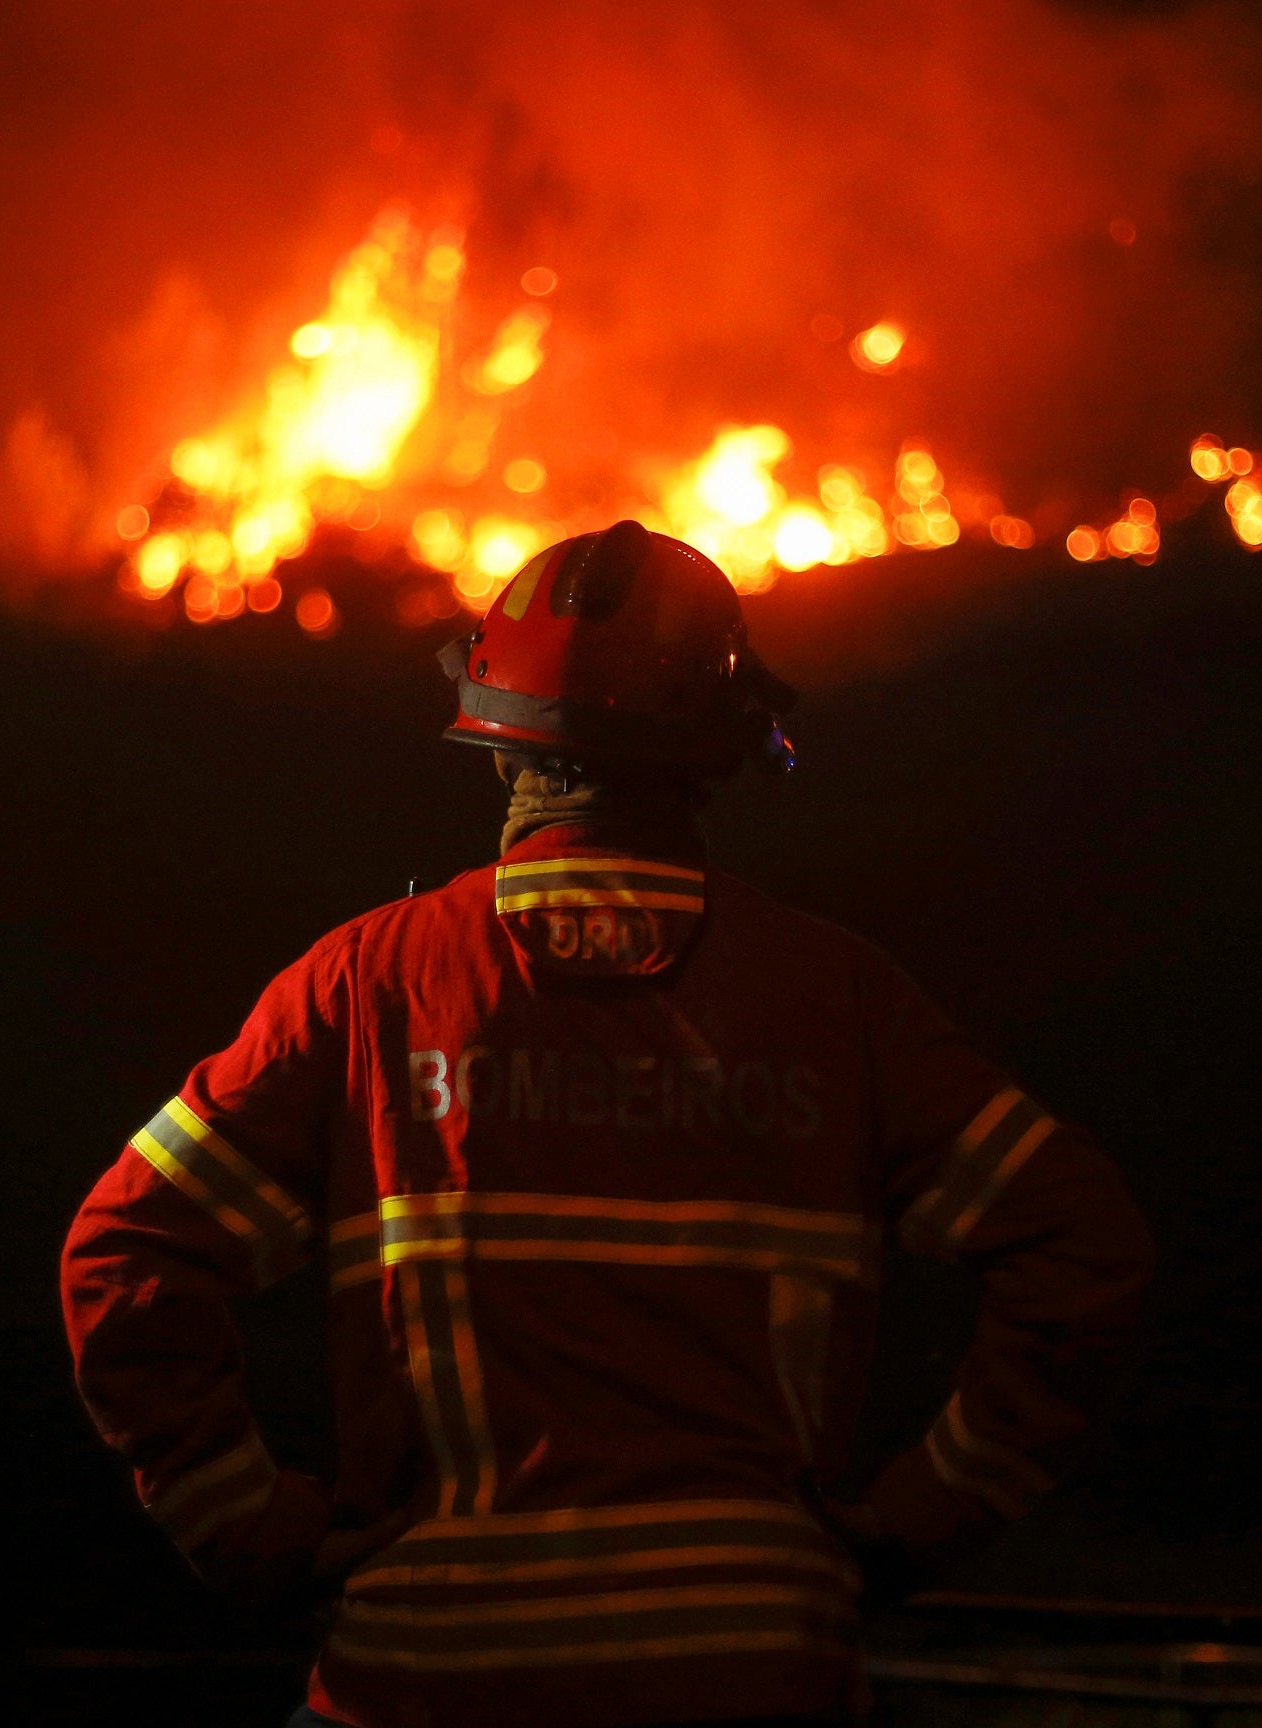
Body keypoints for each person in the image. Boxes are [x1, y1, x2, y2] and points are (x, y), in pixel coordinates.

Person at [62, 521, 1154, 1728]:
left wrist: (248, 1530)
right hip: (751, 1673)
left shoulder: (366, 988)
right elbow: (1082, 1249)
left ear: (493, 737)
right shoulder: (836, 997)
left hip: (429, 1676)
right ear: (722, 747)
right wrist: (924, 1516)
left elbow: (125, 1254)